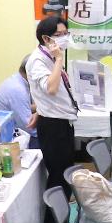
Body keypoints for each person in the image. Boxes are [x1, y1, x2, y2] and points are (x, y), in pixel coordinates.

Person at [24, 17, 79, 194]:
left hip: (63, 121)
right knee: (58, 178)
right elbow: (51, 88)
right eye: (58, 35)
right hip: (53, 126)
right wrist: (58, 60)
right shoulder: (38, 60)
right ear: (46, 38)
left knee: (65, 175)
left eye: (65, 34)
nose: (63, 38)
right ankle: (53, 222)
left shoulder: (51, 56)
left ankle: (61, 222)